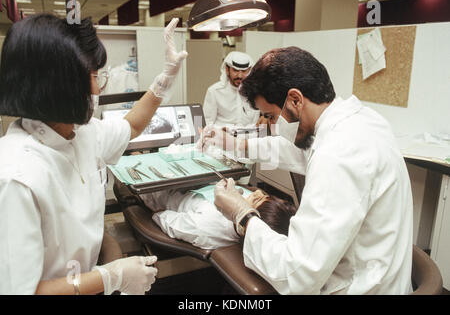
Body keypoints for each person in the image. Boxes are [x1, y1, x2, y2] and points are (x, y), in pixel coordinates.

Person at [201, 46, 414, 294]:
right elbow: (295, 150)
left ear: (295, 99)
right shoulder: (358, 121)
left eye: (271, 116)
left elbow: (296, 275)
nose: (273, 126)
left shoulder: (338, 154)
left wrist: (243, 214)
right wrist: (235, 144)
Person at [0, 15, 187, 295]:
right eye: (94, 77)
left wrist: (166, 77)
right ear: (59, 85)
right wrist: (110, 277)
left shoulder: (82, 133)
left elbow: (132, 125)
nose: (99, 88)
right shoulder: (16, 176)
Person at [140, 185, 297, 250]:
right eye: (264, 194)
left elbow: (167, 219)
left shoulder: (206, 227)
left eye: (256, 199)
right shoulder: (251, 204)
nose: (255, 193)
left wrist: (153, 212)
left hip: (160, 191)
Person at [203, 51, 260, 128]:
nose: (240, 76)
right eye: (235, 70)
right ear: (227, 70)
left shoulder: (256, 91)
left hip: (248, 137)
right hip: (222, 137)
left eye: (244, 71)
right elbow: (207, 122)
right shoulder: (214, 91)